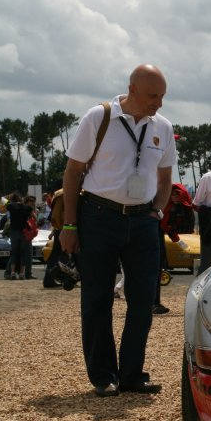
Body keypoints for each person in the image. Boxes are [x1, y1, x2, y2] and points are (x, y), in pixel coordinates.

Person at [60, 64, 177, 397]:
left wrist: (156, 211)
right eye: (153, 96)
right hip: (99, 216)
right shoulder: (99, 117)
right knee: (97, 300)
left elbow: (166, 179)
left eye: (162, 96)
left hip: (143, 222)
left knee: (143, 302)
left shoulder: (163, 127)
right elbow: (72, 172)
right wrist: (70, 224)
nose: (159, 103)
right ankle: (103, 376)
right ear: (132, 89)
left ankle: (131, 374)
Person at [152, 183, 195, 314]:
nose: (177, 201)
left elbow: (167, 226)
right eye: (175, 197)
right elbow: (166, 225)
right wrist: (176, 239)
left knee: (157, 268)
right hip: (152, 230)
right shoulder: (167, 201)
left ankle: (154, 302)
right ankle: (153, 303)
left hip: (156, 230)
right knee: (154, 268)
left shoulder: (173, 202)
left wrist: (177, 240)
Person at [5, 193, 35, 280]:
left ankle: (12, 273)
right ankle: (22, 273)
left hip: (14, 232)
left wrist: (8, 199)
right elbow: (33, 217)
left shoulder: (11, 206)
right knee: (23, 253)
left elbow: (5, 206)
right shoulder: (27, 207)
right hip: (24, 232)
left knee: (14, 252)